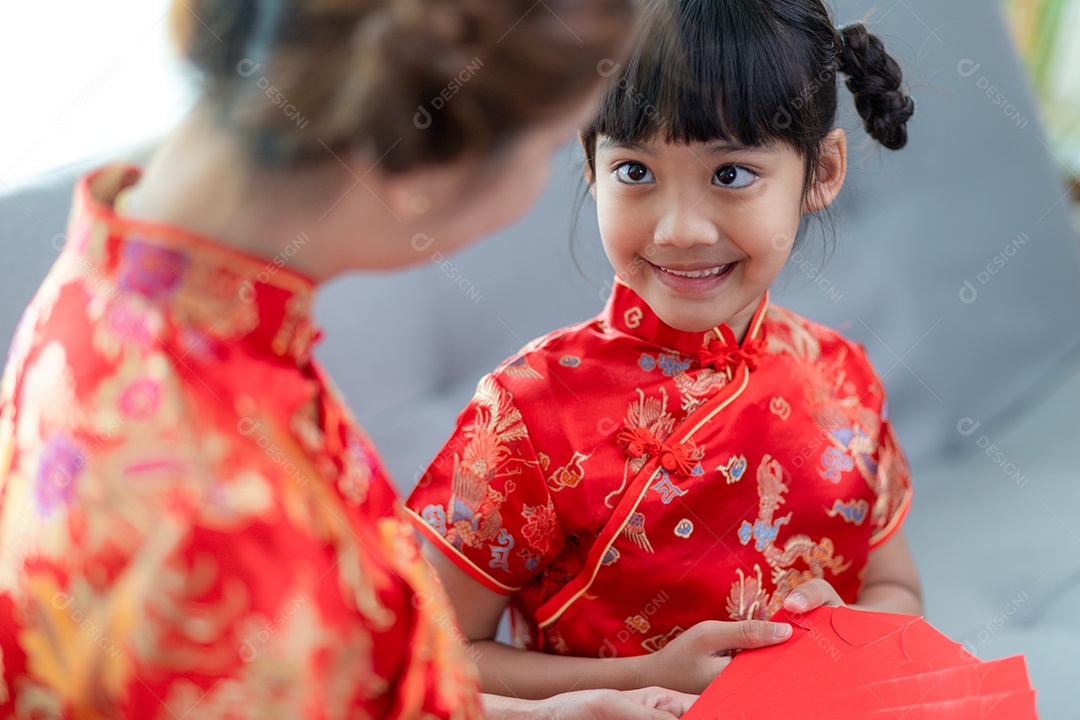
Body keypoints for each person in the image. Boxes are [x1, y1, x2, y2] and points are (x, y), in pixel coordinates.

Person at [0, 0, 696, 717]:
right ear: (419, 165)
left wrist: (547, 714)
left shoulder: (116, 280)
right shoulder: (225, 516)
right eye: (549, 149)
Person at [406, 0, 924, 700]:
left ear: (822, 171)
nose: (680, 229)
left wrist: (846, 641)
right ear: (591, 168)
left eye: (731, 173)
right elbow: (431, 653)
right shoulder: (526, 411)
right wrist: (640, 679)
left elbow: (896, 589)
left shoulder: (841, 378)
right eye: (635, 172)